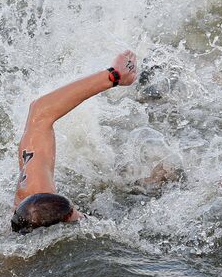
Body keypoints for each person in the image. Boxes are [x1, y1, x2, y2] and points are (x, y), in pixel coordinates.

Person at [10, 50, 138, 234]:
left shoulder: (30, 193)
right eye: (75, 214)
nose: (78, 214)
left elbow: (40, 113)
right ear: (67, 220)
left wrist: (113, 75)